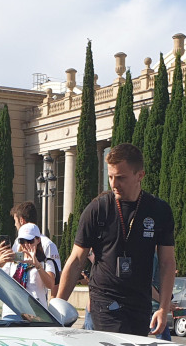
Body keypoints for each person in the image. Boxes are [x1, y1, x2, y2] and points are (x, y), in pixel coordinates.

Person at [54, 143, 175, 336]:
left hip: (140, 302)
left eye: (120, 178)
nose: (113, 184)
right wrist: (57, 309)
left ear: (140, 175)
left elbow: (167, 262)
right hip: (104, 300)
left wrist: (163, 307)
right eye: (110, 177)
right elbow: (77, 259)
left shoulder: (158, 210)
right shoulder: (97, 209)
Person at [0, 223, 57, 305]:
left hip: (35, 309)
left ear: (38, 240)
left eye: (30, 241)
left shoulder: (46, 261)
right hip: (13, 308)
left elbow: (50, 285)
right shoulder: (13, 259)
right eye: (22, 241)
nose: (25, 244)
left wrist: (37, 265)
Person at [10, 201, 61, 277]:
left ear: (21, 220)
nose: (15, 225)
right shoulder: (17, 242)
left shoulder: (47, 245)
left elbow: (56, 278)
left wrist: (37, 264)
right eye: (22, 241)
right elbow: (15, 263)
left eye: (15, 221)